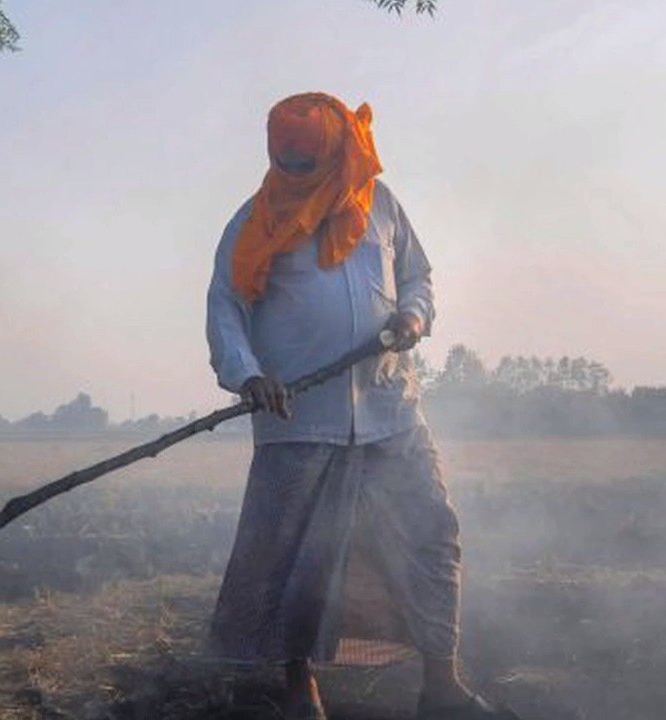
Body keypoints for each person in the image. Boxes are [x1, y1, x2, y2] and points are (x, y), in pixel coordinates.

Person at [205, 92, 516, 720]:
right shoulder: (254, 221)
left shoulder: (380, 206)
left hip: (389, 408)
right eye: (283, 162)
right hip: (297, 420)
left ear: (337, 151)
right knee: (300, 559)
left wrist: (413, 315)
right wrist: (249, 376)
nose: (293, 174)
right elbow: (225, 309)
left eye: (305, 162)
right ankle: (300, 690)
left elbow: (418, 277)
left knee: (431, 535)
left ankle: (442, 685)